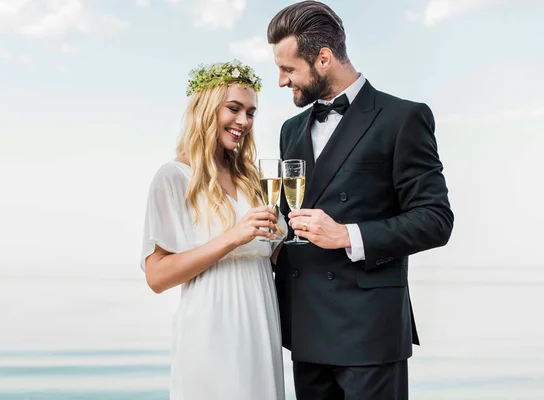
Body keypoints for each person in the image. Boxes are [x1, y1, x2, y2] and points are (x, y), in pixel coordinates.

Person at [267, 1, 454, 399]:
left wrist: (347, 235)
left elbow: (436, 219)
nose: (281, 81)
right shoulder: (290, 129)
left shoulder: (403, 118)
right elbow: (289, 217)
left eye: (288, 69)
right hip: (304, 327)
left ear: (323, 58)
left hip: (369, 331)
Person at [140, 60, 286, 400]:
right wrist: (234, 236)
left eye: (251, 113)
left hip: (261, 324)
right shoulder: (174, 177)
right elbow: (156, 276)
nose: (243, 122)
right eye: (233, 109)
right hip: (211, 328)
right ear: (206, 111)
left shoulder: (252, 180)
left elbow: (272, 254)